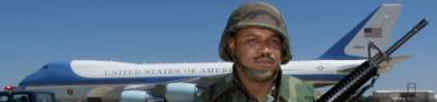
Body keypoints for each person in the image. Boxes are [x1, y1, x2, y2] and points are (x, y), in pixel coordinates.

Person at [195, 2, 315, 102]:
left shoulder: (309, 97)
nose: (266, 50)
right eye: (252, 41)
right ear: (232, 45)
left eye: (273, 41)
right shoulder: (209, 98)